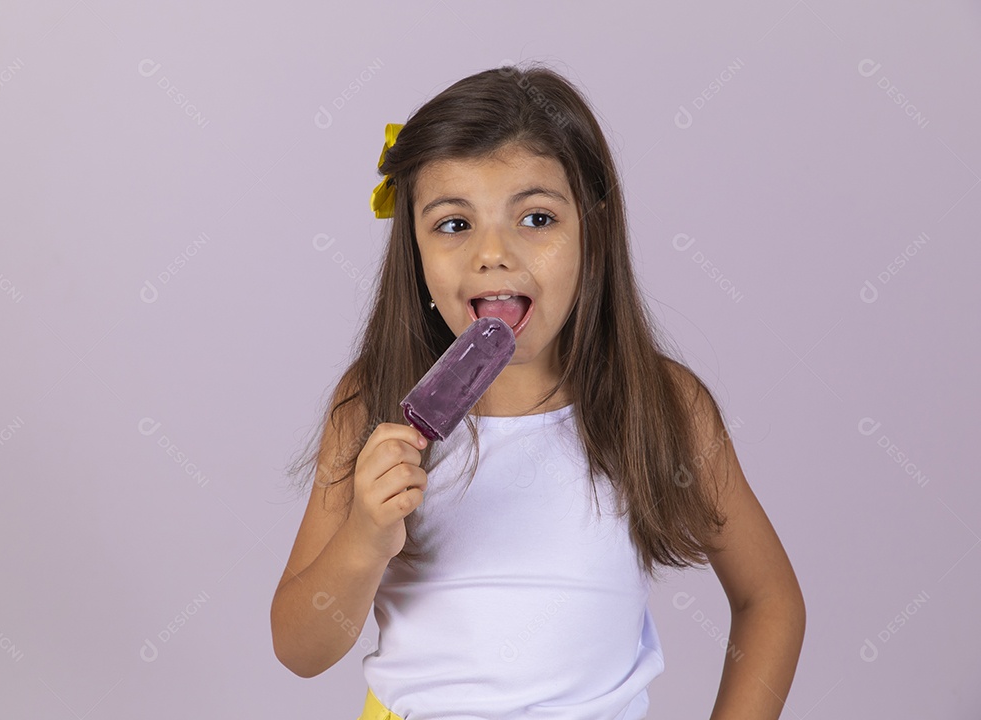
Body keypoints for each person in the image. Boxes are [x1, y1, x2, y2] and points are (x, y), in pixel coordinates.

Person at [272, 63, 805, 720]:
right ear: (412, 247)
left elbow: (769, 600)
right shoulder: (372, 403)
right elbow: (299, 648)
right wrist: (364, 535)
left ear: (593, 230)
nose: (492, 253)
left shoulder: (662, 404)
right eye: (454, 224)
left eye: (536, 217)